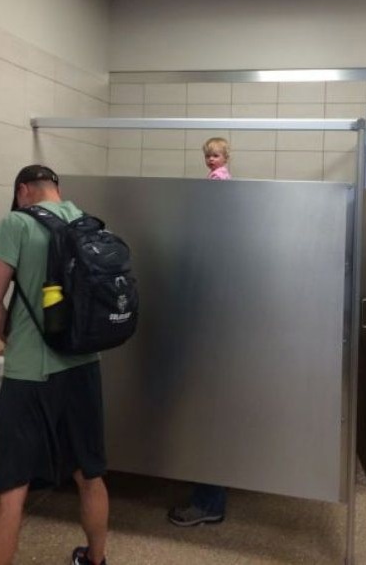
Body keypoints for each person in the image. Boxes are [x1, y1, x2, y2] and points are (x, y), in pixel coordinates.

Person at [0, 165, 109, 565]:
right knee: (90, 475)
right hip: (84, 366)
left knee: (9, 492)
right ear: (56, 190)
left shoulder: (16, 223)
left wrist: (18, 343)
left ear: (23, 191)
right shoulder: (89, 224)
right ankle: (96, 559)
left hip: (30, 374)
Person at [167, 138, 231, 527]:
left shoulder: (218, 188)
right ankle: (210, 498)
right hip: (217, 343)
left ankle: (209, 503)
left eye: (217, 154)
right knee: (212, 418)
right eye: (208, 154)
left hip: (212, 347)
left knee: (208, 419)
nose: (212, 160)